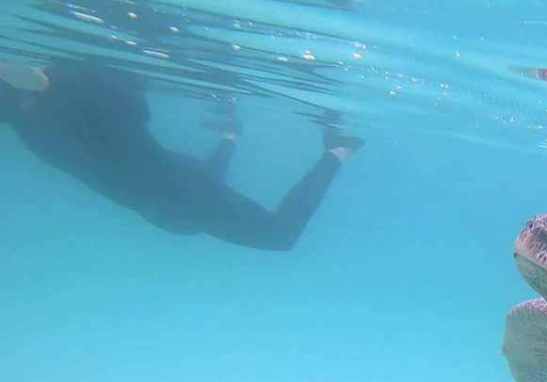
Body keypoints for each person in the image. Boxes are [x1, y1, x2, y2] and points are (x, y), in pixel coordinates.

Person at [0, 60, 360, 251]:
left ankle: (51, 84)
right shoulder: (174, 196)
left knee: (279, 238)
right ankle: (42, 88)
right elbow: (208, 179)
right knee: (54, 127)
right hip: (71, 145)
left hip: (122, 153)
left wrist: (230, 140)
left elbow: (208, 181)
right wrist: (229, 139)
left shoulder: (188, 195)